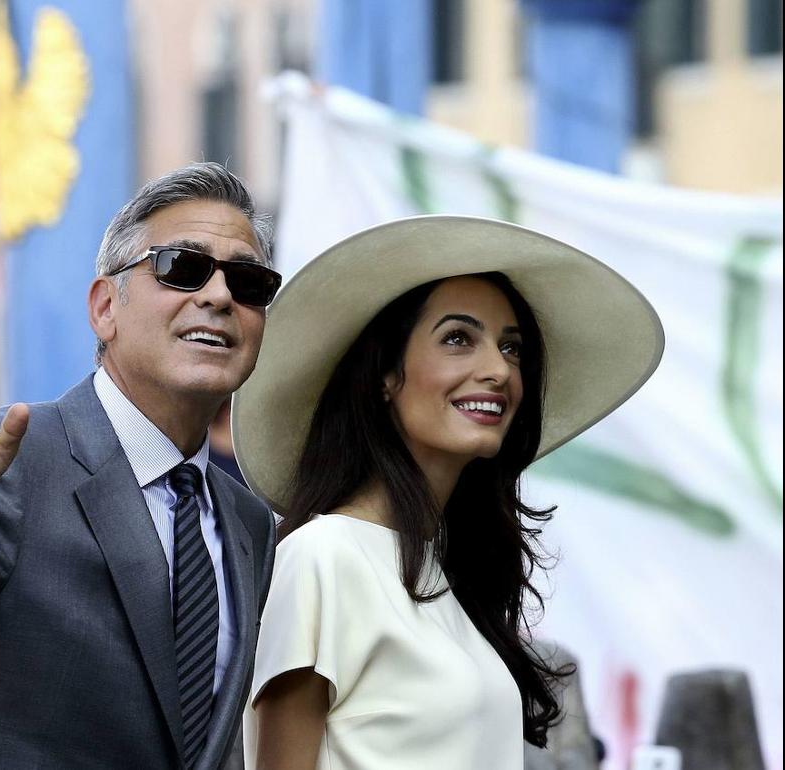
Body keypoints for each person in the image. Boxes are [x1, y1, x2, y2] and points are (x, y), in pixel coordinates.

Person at [0, 162, 282, 770]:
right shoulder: (6, 463)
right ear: (105, 308)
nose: (219, 297)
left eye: (248, 282)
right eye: (183, 267)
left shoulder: (251, 523)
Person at [230, 215, 664, 770]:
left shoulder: (454, 577)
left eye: (512, 349)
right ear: (386, 374)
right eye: (459, 339)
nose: (498, 370)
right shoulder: (323, 557)